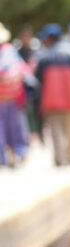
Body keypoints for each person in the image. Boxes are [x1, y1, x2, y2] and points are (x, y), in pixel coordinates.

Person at [34, 24, 70, 166]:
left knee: (55, 131)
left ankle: (59, 159)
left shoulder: (42, 55)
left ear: (50, 38)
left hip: (50, 99)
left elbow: (36, 77)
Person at [0, 22, 32, 167]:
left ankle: (5, 157)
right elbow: (24, 71)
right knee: (16, 127)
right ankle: (19, 153)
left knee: (3, 128)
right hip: (13, 97)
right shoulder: (11, 51)